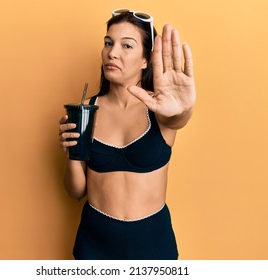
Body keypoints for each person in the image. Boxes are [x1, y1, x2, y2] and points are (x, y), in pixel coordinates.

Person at [58, 8, 196, 260]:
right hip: (94, 246)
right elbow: (76, 192)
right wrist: (72, 152)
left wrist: (184, 109)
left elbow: (178, 118)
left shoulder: (161, 108)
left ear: (146, 60)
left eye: (127, 46)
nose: (113, 52)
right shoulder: (85, 109)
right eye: (108, 43)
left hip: (153, 245)